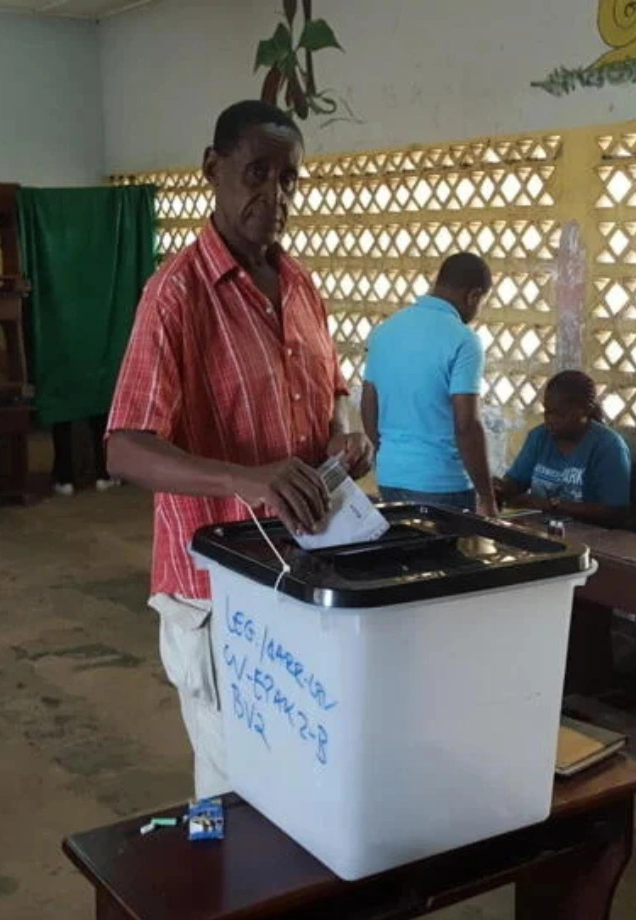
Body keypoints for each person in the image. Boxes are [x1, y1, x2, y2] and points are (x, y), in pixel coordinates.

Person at [105, 100, 372, 799]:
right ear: (212, 170)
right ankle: (215, 898)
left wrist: (346, 426)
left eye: (288, 180)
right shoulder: (175, 296)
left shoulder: (302, 285)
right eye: (257, 174)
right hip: (216, 592)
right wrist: (247, 480)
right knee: (233, 789)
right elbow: (125, 449)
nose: (274, 197)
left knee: (299, 772)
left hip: (302, 574)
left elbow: (332, 384)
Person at [361, 252, 496, 516]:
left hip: (391, 476)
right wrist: (486, 495)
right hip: (444, 482)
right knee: (448, 557)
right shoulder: (464, 340)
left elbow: (369, 406)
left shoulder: (385, 331)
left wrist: (390, 455)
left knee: (405, 555)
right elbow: (466, 425)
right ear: (474, 296)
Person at [494, 370, 632, 529]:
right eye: (547, 412)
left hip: (592, 536)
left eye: (560, 415)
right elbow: (517, 481)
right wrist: (501, 489)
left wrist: (550, 505)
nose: (550, 420)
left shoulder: (608, 447)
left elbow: (615, 512)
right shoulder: (540, 436)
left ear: (585, 411)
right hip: (542, 530)